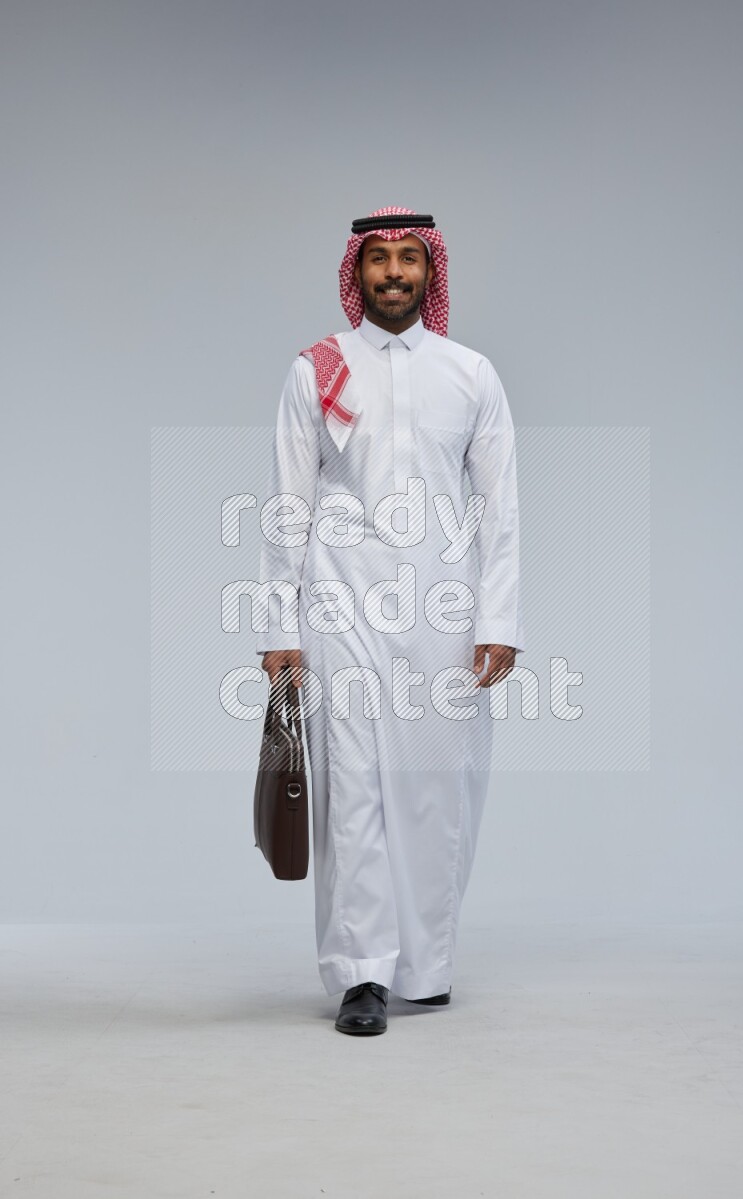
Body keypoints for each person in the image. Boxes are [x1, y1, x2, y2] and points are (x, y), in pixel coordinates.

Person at [256, 206, 525, 1035]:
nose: (396, 273)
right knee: (355, 789)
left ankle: (426, 965)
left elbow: (500, 507)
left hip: (444, 611)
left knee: (439, 790)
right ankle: (363, 974)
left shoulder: (472, 373)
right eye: (380, 260)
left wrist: (499, 618)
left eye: (411, 258)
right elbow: (286, 505)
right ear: (358, 272)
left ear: (431, 272)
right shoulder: (319, 369)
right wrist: (279, 629)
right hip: (342, 601)